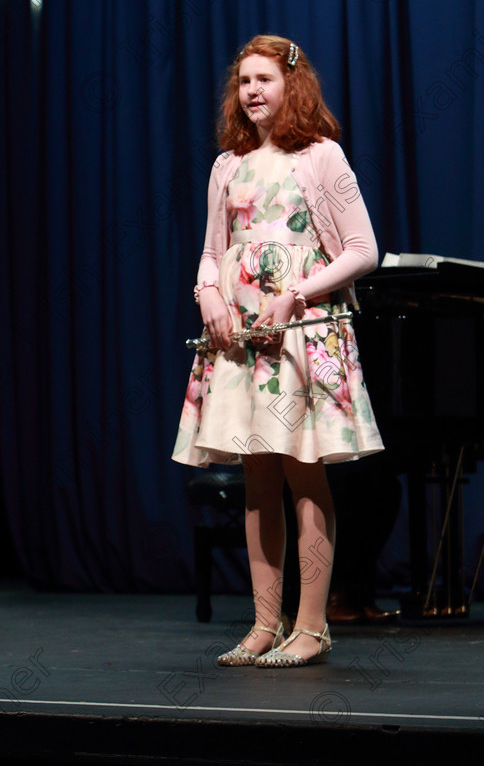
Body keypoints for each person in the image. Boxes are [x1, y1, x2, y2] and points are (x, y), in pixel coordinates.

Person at [172, 35, 384, 667]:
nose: (253, 91)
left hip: (300, 333)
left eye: (264, 78)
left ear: (293, 85)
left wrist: (294, 293)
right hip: (238, 335)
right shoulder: (227, 164)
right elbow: (214, 252)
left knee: (302, 468)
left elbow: (362, 249)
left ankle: (313, 626)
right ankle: (266, 623)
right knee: (255, 475)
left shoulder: (322, 156)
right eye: (244, 82)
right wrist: (208, 293)